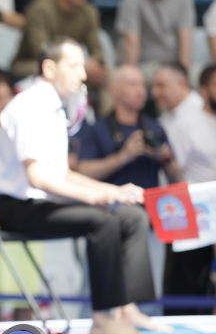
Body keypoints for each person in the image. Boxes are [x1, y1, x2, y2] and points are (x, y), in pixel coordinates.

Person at [0, 36, 169, 334]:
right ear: (49, 68)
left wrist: (111, 191)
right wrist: (95, 196)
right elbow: (38, 177)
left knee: (132, 216)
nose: (83, 74)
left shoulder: (53, 107)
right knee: (103, 222)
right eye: (74, 66)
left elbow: (62, 173)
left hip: (45, 201)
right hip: (19, 207)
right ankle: (102, 318)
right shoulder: (29, 106)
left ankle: (127, 308)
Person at [0, 74, 42, 322]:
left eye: (7, 97)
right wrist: (28, 175)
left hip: (29, 213)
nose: (3, 103)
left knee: (28, 293)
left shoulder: (27, 132)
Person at [161, 65, 216, 316]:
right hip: (193, 215)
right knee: (186, 286)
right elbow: (173, 174)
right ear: (203, 91)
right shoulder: (186, 125)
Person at [10, 0, 109, 107]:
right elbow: (42, 53)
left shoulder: (89, 12)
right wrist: (80, 66)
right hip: (32, 64)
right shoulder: (39, 10)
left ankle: (107, 119)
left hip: (71, 65)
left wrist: (95, 64)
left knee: (109, 75)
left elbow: (97, 51)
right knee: (56, 71)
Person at [76, 65, 183, 188]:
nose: (141, 91)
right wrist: (123, 156)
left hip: (149, 198)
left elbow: (178, 181)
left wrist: (165, 157)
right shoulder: (98, 129)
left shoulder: (154, 127)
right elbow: (82, 172)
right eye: (133, 85)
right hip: (113, 199)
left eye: (143, 85)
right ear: (114, 90)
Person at [116, 0, 196, 80]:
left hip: (176, 64)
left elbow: (186, 37)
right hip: (145, 65)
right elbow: (131, 41)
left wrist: (183, 72)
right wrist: (132, 76)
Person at [151, 62, 204, 140]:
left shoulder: (203, 111)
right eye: (153, 86)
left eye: (161, 85)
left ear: (182, 83)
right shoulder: (167, 111)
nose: (155, 93)